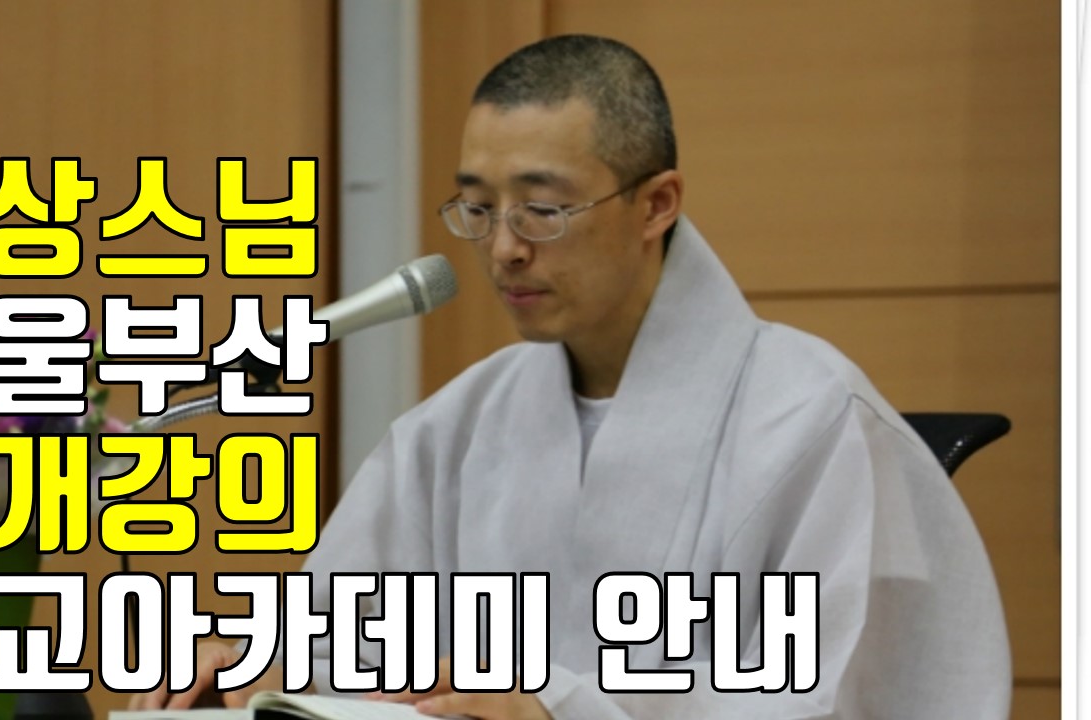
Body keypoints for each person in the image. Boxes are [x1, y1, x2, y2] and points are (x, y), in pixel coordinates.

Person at [133, 34, 1010, 719]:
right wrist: (262, 658)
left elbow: (855, 697)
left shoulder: (814, 419)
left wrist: (563, 708)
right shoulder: (457, 427)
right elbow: (353, 639)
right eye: (479, 207)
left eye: (543, 209)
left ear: (656, 204)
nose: (504, 247)